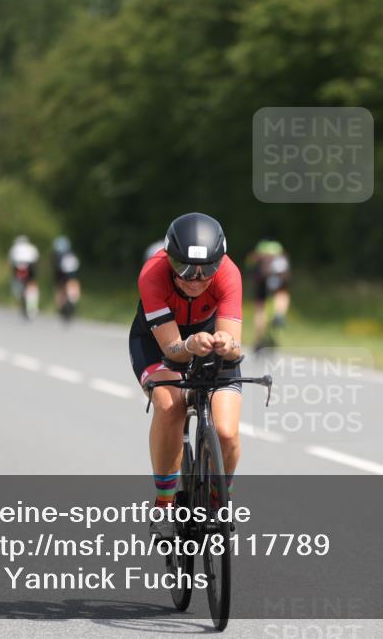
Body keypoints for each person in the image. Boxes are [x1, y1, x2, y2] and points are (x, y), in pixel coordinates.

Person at [128, 213, 243, 539]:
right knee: (170, 405)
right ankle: (164, 504)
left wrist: (226, 345)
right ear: (169, 259)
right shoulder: (152, 274)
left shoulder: (229, 274)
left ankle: (221, 500)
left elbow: (234, 348)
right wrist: (190, 345)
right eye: (184, 270)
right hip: (159, 343)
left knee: (226, 431)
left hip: (209, 339)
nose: (195, 279)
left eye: (207, 270)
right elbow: (172, 349)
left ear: (219, 263)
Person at [245, 237, 291, 350]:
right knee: (282, 293)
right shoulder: (278, 248)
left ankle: (259, 339)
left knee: (260, 308)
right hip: (279, 277)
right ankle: (279, 313)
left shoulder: (260, 248)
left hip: (262, 279)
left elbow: (250, 264)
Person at [8, 235, 40, 319]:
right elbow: (36, 259)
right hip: (30, 266)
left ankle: (21, 296)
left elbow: (11, 261)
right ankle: (32, 306)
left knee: (18, 282)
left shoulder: (14, 248)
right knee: (31, 284)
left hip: (18, 266)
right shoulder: (32, 247)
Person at [51, 235, 81, 321]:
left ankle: (63, 305)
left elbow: (55, 267)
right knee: (73, 284)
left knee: (60, 288)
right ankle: (72, 301)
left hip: (61, 275)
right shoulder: (71, 254)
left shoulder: (57, 255)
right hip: (71, 275)